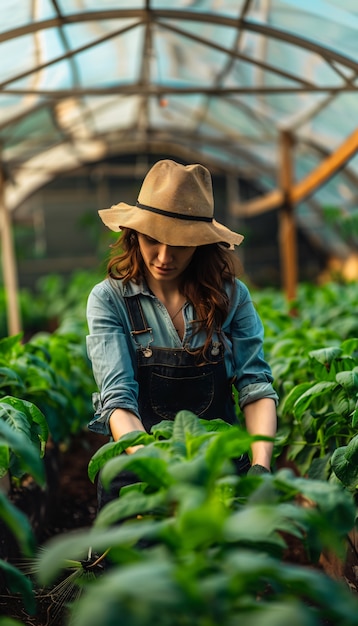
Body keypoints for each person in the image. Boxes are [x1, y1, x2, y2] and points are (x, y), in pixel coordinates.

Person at [86, 159, 278, 506]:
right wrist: (161, 469)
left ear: (201, 244)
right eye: (152, 239)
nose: (163, 256)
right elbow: (118, 402)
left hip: (217, 462)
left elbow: (255, 386)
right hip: (141, 462)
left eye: (181, 244)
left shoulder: (232, 297)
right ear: (133, 234)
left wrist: (261, 465)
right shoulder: (110, 300)